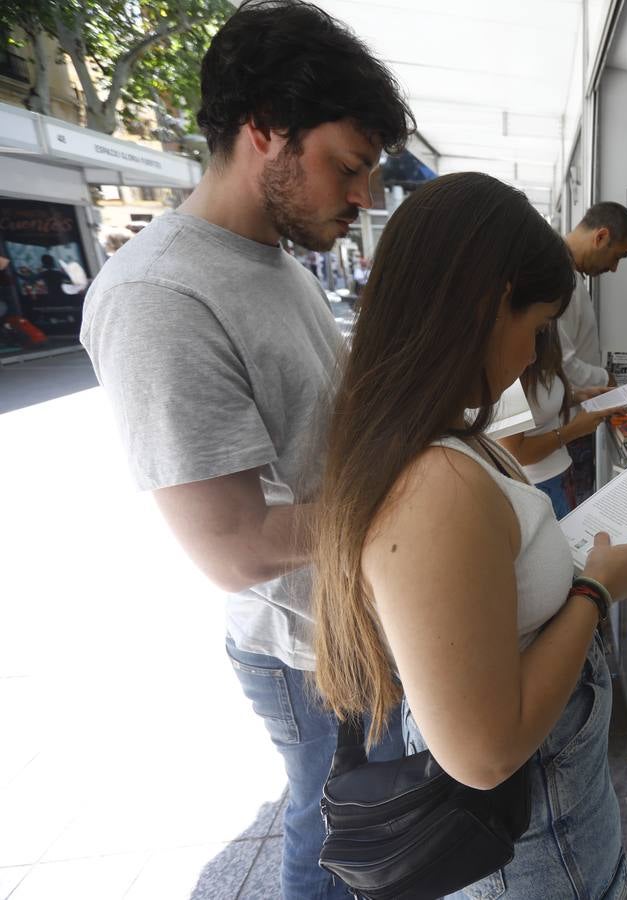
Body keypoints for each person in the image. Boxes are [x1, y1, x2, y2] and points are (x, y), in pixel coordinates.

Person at [78, 2, 415, 898]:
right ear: (265, 129)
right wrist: (416, 500)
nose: (364, 197)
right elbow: (231, 548)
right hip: (305, 655)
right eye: (348, 166)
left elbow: (321, 442)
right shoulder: (160, 295)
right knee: (333, 845)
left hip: (350, 626)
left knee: (366, 837)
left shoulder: (276, 261)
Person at [310, 171, 627, 900]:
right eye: (534, 328)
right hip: (532, 851)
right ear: (482, 306)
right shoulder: (434, 485)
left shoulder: (441, 436)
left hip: (550, 822)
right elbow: (483, 753)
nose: (527, 358)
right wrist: (596, 591)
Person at [497, 322, 621, 519]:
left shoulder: (544, 346)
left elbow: (539, 404)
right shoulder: (508, 371)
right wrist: (573, 430)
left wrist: (578, 396)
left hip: (562, 477)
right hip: (535, 488)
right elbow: (516, 453)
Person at [558, 203, 627, 503]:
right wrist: (607, 378)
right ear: (601, 236)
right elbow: (563, 363)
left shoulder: (569, 273)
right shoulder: (561, 277)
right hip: (569, 422)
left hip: (575, 414)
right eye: (618, 256)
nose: (615, 268)